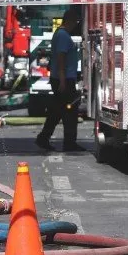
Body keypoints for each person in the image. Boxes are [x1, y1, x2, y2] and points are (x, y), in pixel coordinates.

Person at [36, 8, 83, 152]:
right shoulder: (63, 35)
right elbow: (61, 58)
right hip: (64, 80)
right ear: (71, 20)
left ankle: (43, 138)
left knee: (57, 110)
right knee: (70, 111)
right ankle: (69, 142)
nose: (76, 25)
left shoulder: (59, 34)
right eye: (76, 21)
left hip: (60, 78)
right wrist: (62, 80)